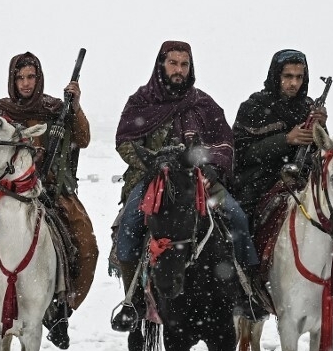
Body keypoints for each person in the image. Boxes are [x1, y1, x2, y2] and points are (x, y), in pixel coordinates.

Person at [0, 52, 98, 350]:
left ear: (38, 78)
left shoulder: (57, 109)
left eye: (31, 77)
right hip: (12, 192)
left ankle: (61, 309)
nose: (26, 83)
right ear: (12, 80)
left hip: (56, 193)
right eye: (20, 78)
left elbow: (82, 139)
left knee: (84, 241)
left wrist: (76, 107)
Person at [110, 40, 258, 331]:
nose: (178, 70)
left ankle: (247, 292)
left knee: (238, 218)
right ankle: (133, 299)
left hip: (198, 180)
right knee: (129, 224)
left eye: (184, 64)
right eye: (173, 63)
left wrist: (212, 171)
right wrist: (151, 163)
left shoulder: (203, 104)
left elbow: (224, 143)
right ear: (161, 65)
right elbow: (125, 141)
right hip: (152, 179)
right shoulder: (142, 101)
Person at [231, 49, 333, 323]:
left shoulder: (308, 107)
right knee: (241, 222)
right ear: (276, 76)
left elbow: (320, 150)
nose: (293, 83)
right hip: (258, 183)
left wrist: (321, 128)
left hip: (302, 181)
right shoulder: (253, 107)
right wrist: (286, 139)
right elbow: (241, 153)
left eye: (299, 77)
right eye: (288, 76)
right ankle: (246, 290)